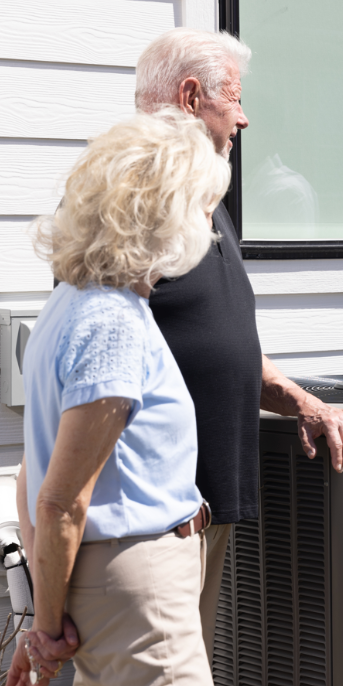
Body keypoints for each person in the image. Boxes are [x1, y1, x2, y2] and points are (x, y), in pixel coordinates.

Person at [141, 27, 343, 662]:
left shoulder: (206, 204)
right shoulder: (132, 207)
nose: (244, 117)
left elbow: (226, 343)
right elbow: (97, 362)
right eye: (232, 99)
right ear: (190, 97)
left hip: (202, 510)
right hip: (154, 520)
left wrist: (305, 403)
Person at [9, 110, 230, 686]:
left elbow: (30, 478)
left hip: (106, 587)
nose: (210, 227)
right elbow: (60, 501)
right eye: (203, 207)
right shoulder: (113, 321)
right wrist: (46, 632)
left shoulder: (69, 303)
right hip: (138, 593)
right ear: (165, 216)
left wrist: (43, 613)